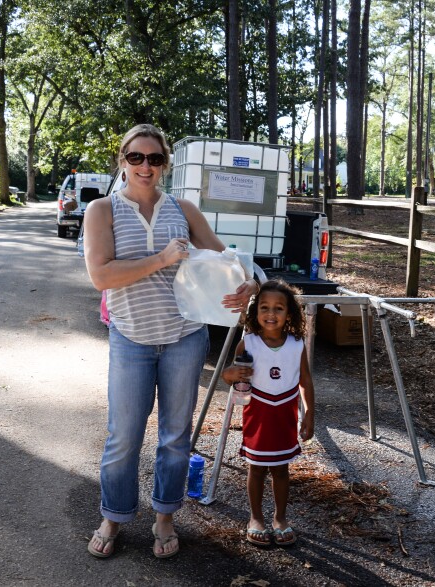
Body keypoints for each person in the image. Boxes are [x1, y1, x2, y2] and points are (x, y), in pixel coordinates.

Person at [83, 124, 259, 559]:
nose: (146, 166)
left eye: (155, 159)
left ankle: (164, 515)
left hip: (184, 338)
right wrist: (161, 259)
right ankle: (114, 515)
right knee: (123, 435)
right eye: (137, 157)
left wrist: (248, 284)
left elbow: (227, 262)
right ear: (122, 161)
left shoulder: (183, 209)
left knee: (175, 437)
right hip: (132, 338)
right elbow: (101, 276)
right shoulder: (102, 210)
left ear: (165, 164)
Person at [221, 280, 315, 548]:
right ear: (255, 311)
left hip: (284, 414)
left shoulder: (297, 344)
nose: (271, 314)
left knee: (281, 468)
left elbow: (306, 382)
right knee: (257, 468)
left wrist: (309, 414)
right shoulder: (247, 342)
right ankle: (256, 518)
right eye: (264, 307)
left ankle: (280, 519)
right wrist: (230, 374)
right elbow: (230, 375)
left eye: (278, 308)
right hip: (258, 412)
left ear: (290, 313)